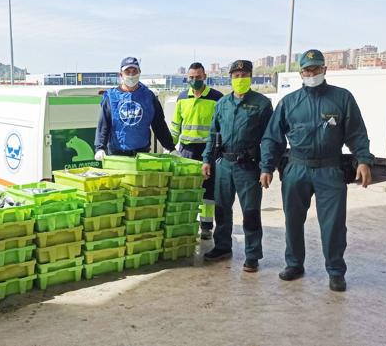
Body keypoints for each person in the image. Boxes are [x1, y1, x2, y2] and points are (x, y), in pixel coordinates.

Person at [260, 49, 373, 291]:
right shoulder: (289, 102)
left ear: (324, 69)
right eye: (306, 70)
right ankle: (294, 264)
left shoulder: (342, 98)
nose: (311, 74)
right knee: (293, 220)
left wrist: (363, 160)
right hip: (296, 168)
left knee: (333, 223)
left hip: (330, 169)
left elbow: (356, 132)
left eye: (315, 69)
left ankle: (335, 270)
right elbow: (272, 138)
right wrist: (266, 167)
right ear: (301, 72)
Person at [202, 60, 273, 272]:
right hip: (224, 164)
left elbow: (270, 138)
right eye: (235, 76)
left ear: (250, 77)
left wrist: (266, 167)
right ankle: (223, 246)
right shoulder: (222, 104)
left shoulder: (262, 104)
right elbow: (213, 134)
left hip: (249, 167)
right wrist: (207, 159)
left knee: (250, 212)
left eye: (243, 75)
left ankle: (252, 255)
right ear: (230, 78)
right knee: (221, 209)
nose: (239, 79)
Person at [170, 62, 223, 240]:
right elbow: (176, 126)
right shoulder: (182, 97)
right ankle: (187, 223)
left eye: (198, 77)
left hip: (207, 150)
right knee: (187, 189)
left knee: (208, 191)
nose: (194, 80)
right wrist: (170, 147)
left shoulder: (217, 98)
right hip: (186, 151)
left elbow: (221, 127)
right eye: (191, 77)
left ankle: (207, 226)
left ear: (205, 77)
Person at [94, 57, 177, 159]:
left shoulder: (149, 96)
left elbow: (159, 125)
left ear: (139, 72)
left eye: (134, 71)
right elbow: (103, 125)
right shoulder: (111, 97)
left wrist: (170, 148)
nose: (131, 75)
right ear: (121, 74)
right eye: (127, 71)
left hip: (142, 152)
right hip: (117, 153)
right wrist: (100, 148)